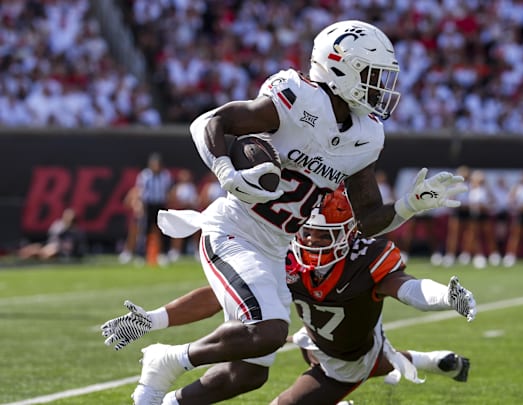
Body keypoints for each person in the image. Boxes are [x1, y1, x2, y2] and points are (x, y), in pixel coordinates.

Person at [118, 20, 467, 405]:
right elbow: (210, 122)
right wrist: (225, 171)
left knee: (248, 372)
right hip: (235, 228)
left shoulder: (366, 136)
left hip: (278, 246)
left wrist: (409, 206)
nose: (379, 86)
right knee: (268, 331)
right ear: (340, 67)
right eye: (371, 74)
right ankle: (169, 359)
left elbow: (366, 220)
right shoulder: (298, 97)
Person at [102, 189, 476, 404]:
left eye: (323, 234)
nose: (312, 241)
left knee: (361, 364)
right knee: (250, 367)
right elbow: (221, 295)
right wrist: (154, 318)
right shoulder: (285, 254)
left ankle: (427, 360)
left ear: (348, 234)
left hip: (345, 360)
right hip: (315, 339)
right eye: (307, 233)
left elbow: (407, 287)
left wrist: (447, 296)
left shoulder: (367, 258)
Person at [135, 152, 174, 266]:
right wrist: (140, 206)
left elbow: (168, 190)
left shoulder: (165, 175)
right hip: (148, 204)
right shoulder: (145, 175)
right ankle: (141, 255)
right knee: (145, 230)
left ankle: (163, 254)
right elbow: (140, 191)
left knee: (163, 230)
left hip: (161, 205)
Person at [18, 208, 86, 261]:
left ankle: (36, 256)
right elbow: (52, 238)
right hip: (52, 245)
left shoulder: (77, 232)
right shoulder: (58, 225)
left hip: (61, 250)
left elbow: (76, 248)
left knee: (46, 252)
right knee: (34, 248)